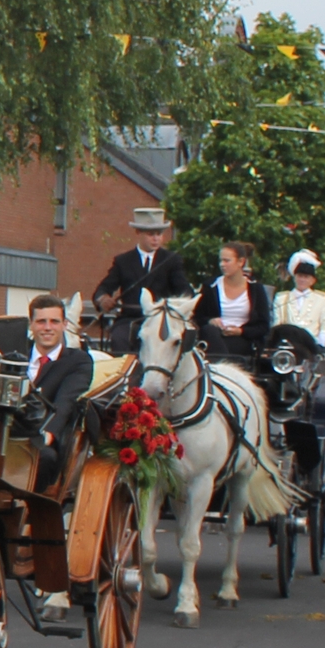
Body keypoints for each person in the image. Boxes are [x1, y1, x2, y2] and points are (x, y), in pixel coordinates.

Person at [19, 294, 96, 489]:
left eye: (54, 321)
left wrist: (48, 434)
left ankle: (31, 503)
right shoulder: (15, 355)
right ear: (31, 325)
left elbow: (66, 401)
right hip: (6, 431)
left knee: (44, 458)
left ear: (64, 325)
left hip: (44, 437)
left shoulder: (78, 361)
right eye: (41, 321)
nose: (48, 327)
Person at [91, 208, 191, 338]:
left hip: (161, 320)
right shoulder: (123, 261)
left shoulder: (172, 260)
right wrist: (103, 299)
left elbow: (184, 290)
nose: (156, 239)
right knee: (119, 337)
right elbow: (102, 289)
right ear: (138, 232)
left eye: (159, 234)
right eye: (151, 234)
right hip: (130, 319)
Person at [200, 240, 270, 361]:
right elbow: (197, 317)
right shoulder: (210, 287)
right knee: (209, 330)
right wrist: (210, 320)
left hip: (243, 339)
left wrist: (241, 331)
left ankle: (223, 364)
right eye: (220, 261)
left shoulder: (256, 289)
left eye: (227, 261)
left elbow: (263, 326)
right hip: (215, 336)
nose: (222, 265)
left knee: (232, 346)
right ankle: (225, 364)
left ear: (241, 262)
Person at [279, 250, 325, 346]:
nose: (302, 280)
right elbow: (278, 324)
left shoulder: (321, 299)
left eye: (306, 277)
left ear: (313, 280)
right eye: (300, 276)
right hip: (288, 345)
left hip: (313, 344)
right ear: (294, 278)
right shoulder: (282, 298)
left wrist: (322, 339)